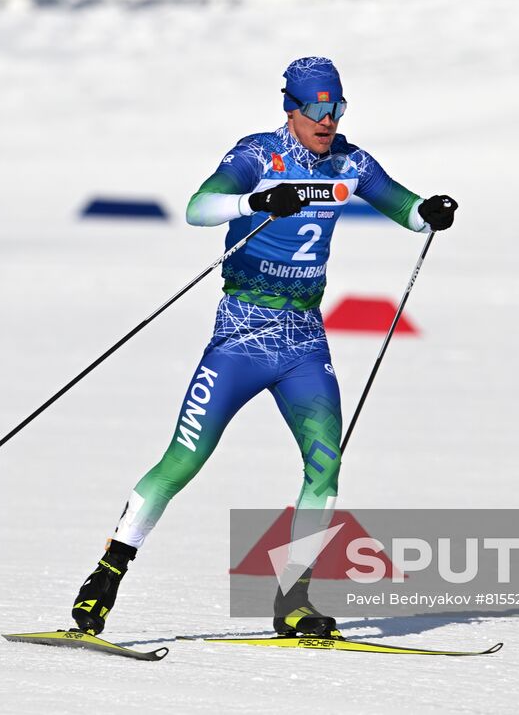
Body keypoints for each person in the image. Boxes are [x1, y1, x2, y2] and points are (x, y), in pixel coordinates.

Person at [70, 56, 457, 638]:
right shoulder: (258, 155)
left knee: (325, 468)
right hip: (241, 336)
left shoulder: (351, 162)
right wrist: (256, 201)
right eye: (317, 109)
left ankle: (294, 598)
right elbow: (198, 207)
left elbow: (405, 209)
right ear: (292, 109)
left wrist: (428, 213)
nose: (328, 120)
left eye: (337, 108)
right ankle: (108, 572)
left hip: (303, 340)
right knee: (185, 460)